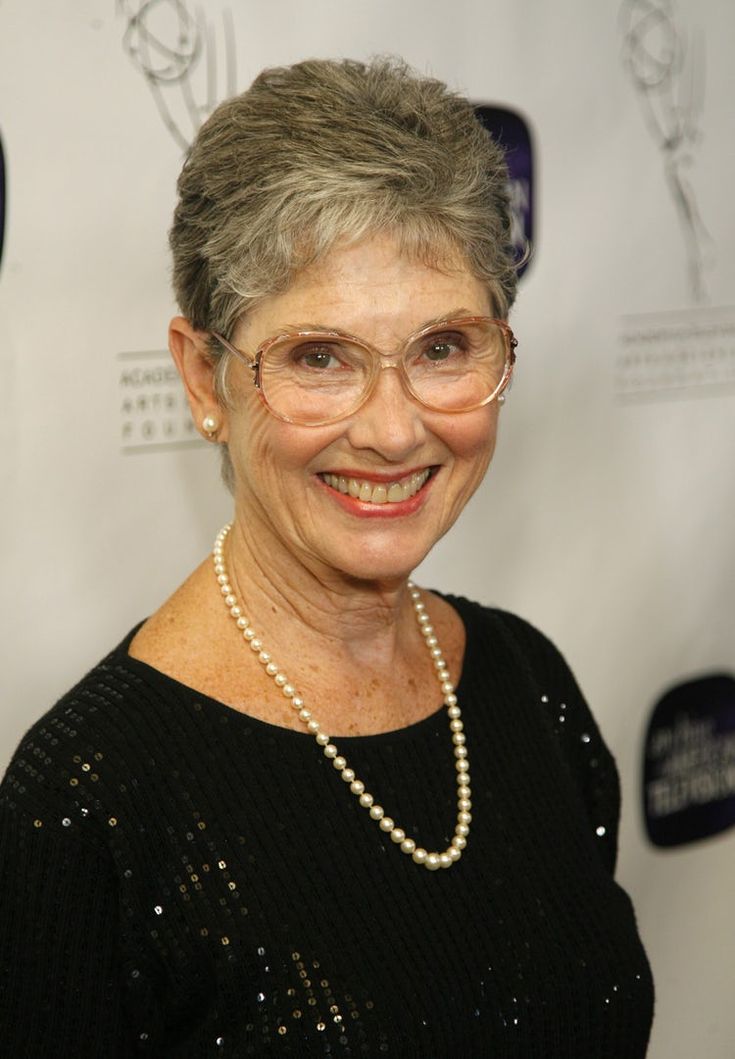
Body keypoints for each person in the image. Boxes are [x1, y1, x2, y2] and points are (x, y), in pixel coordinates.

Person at [0, 57, 653, 1057]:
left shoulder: (528, 681)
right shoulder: (90, 801)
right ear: (203, 376)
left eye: (444, 347)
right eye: (319, 357)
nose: (394, 432)